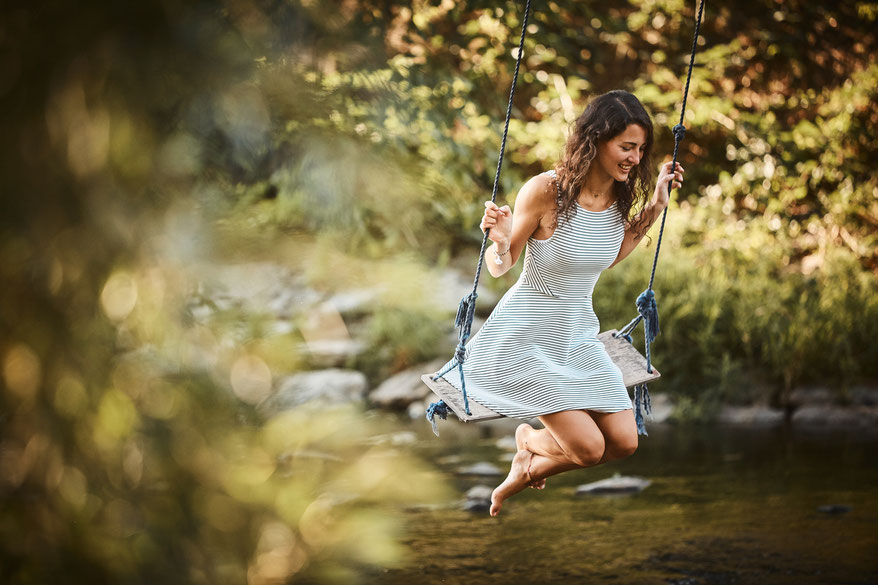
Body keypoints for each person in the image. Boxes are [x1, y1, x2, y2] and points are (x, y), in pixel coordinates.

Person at [434, 90, 684, 516]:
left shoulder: (620, 196)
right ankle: (529, 442)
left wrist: (656, 205)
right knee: (587, 449)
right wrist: (498, 241)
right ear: (596, 140)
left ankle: (527, 458)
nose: (635, 158)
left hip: (577, 334)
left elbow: (610, 253)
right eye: (626, 147)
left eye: (641, 150)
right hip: (526, 337)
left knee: (624, 442)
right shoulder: (547, 191)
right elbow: (502, 265)